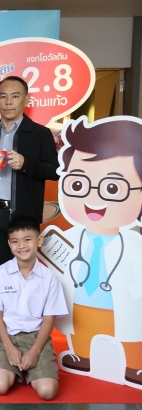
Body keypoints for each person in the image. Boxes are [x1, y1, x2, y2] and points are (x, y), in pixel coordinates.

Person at [43, 116, 142, 386]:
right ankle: (83, 355)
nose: (93, 198)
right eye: (78, 184)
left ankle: (135, 365)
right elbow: (54, 259)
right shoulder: (68, 238)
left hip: (119, 303)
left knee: (130, 332)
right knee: (81, 327)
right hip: (81, 302)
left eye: (112, 188)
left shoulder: (133, 244)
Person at [0, 76, 59, 347]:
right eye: (3, 96)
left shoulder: (40, 133)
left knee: (26, 275)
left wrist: (27, 163)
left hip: (22, 216)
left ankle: (28, 333)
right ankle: (2, 332)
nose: (8, 102)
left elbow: (55, 170)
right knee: (0, 276)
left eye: (15, 96)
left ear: (26, 99)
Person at [0, 215, 68, 400]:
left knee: (47, 392)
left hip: (37, 338)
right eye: (15, 241)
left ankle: (31, 367)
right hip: (7, 337)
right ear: (9, 244)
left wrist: (35, 352)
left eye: (27, 239)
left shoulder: (50, 278)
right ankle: (13, 365)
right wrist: (8, 347)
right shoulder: (0, 273)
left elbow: (49, 318)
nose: (21, 246)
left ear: (39, 241)